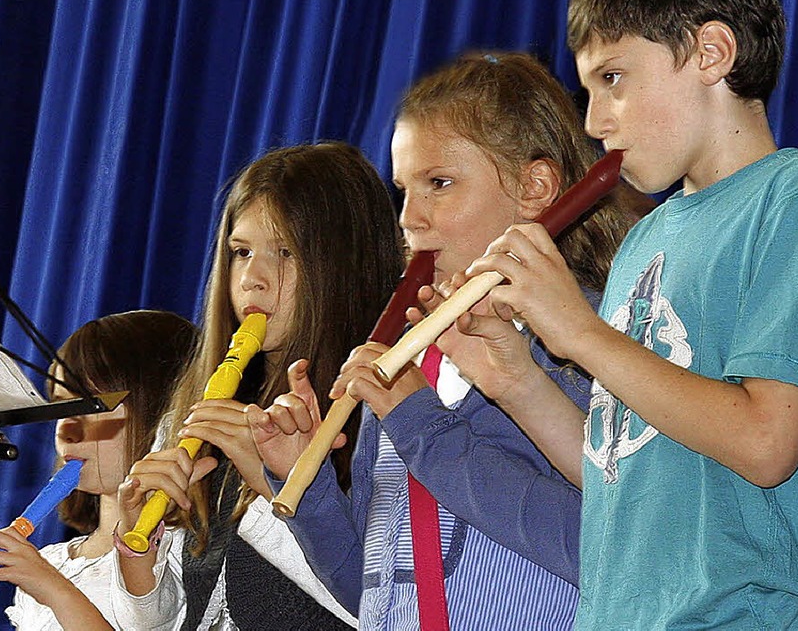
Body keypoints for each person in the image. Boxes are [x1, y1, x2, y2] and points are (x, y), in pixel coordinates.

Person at [463, 0, 798, 630]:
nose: (593, 120)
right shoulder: (647, 236)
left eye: (612, 78)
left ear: (712, 52)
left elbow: (767, 444)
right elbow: (625, 477)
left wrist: (581, 334)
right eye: (588, 90)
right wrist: (517, 380)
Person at [252, 52, 633, 629]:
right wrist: (307, 486)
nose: (410, 219)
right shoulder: (412, 360)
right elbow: (372, 593)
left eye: (439, 184)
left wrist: (420, 424)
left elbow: (605, 550)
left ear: (535, 188)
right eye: (404, 189)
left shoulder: (589, 340)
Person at [112, 143, 404, 630]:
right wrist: (138, 552)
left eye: (285, 252)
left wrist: (275, 488)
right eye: (241, 252)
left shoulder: (387, 410)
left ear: (346, 265)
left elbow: (382, 608)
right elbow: (164, 621)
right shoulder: (200, 410)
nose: (252, 279)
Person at [0, 309, 198, 630]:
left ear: (163, 414)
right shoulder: (52, 561)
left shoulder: (185, 554)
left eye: (92, 405)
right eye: (63, 405)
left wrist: (52, 588)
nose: (67, 428)